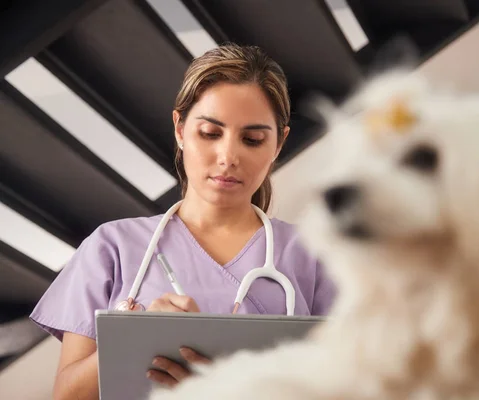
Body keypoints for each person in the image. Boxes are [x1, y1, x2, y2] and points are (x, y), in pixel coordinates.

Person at [29, 43, 337, 400]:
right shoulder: (112, 246)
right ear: (180, 128)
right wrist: (136, 336)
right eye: (210, 133)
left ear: (279, 144)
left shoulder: (315, 253)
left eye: (252, 140)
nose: (228, 157)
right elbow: (67, 396)